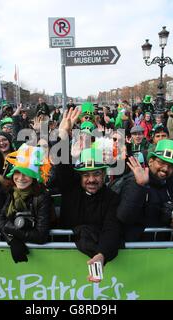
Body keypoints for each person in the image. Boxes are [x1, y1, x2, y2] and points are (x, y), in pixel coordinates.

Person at [51, 108, 123, 282]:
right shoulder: (71, 188)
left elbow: (111, 229)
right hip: (58, 263)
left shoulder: (111, 198)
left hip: (96, 263)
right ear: (79, 176)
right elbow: (61, 165)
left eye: (97, 174)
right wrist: (62, 135)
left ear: (104, 175)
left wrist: (102, 255)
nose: (92, 179)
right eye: (86, 175)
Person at [117, 140, 173, 241]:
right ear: (150, 161)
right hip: (135, 249)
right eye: (161, 162)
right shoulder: (134, 181)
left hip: (159, 249)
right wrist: (139, 186)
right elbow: (124, 217)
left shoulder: (171, 184)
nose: (165, 169)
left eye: (171, 166)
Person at [0, 144, 52, 263]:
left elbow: (41, 235)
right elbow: (1, 220)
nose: (20, 178)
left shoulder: (42, 197)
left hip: (44, 259)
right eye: (17, 173)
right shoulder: (12, 192)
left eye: (26, 173)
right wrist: (12, 241)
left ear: (34, 177)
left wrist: (10, 230)